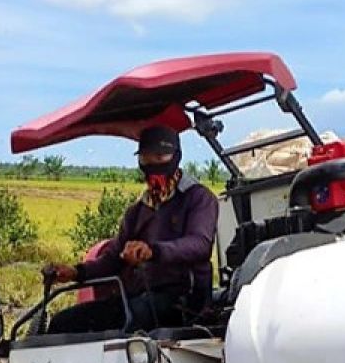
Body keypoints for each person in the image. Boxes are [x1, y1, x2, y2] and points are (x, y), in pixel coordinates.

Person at [45, 125, 218, 334]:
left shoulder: (198, 198)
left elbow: (199, 245)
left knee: (130, 320)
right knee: (62, 323)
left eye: (160, 156)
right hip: (137, 297)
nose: (153, 164)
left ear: (176, 157)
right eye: (146, 159)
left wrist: (152, 251)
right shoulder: (137, 211)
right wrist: (76, 272)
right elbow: (113, 258)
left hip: (183, 300)